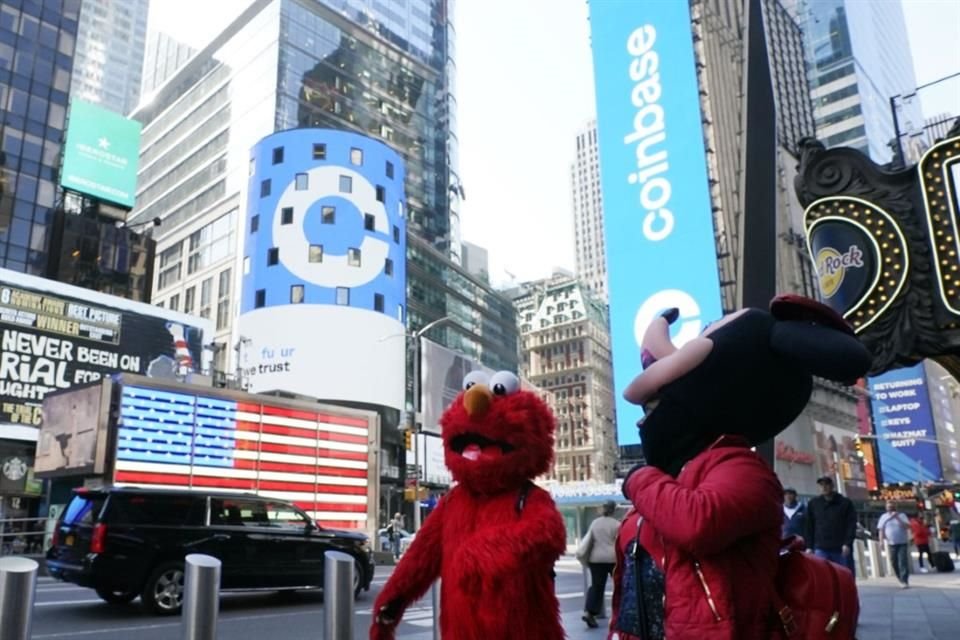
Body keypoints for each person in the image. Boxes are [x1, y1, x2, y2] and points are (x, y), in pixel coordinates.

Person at [579, 500, 620, 629]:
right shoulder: (617, 524)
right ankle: (620, 612)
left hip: (596, 559)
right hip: (613, 558)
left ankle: (589, 612)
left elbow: (590, 539)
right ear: (614, 510)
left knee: (596, 586)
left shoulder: (595, 523)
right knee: (620, 585)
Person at [804, 476, 857, 575]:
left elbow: (851, 524)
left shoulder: (845, 503)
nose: (824, 487)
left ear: (832, 486)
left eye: (826, 484)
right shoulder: (813, 503)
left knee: (843, 575)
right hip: (820, 547)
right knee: (822, 575)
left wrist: (847, 543)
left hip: (840, 548)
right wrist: (809, 546)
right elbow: (809, 526)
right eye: (821, 485)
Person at [877, 501, 911, 588]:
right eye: (889, 507)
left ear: (895, 507)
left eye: (892, 507)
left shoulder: (902, 515)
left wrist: (897, 518)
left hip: (902, 542)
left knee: (902, 561)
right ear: (886, 508)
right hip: (891, 543)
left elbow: (907, 526)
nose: (890, 509)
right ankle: (900, 578)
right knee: (893, 561)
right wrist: (881, 541)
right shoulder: (883, 517)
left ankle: (904, 580)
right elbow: (881, 530)